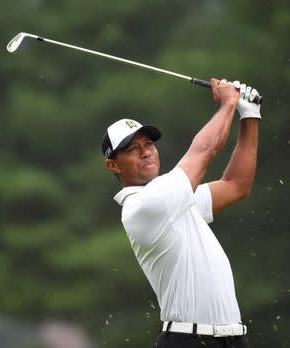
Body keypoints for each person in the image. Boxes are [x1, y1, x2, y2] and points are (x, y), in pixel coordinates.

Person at [102, 78, 261, 347]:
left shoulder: (173, 199)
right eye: (132, 149)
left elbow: (236, 185)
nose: (146, 153)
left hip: (234, 340)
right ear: (113, 166)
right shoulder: (145, 205)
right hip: (188, 340)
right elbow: (206, 149)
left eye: (148, 144)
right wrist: (229, 103)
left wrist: (249, 115)